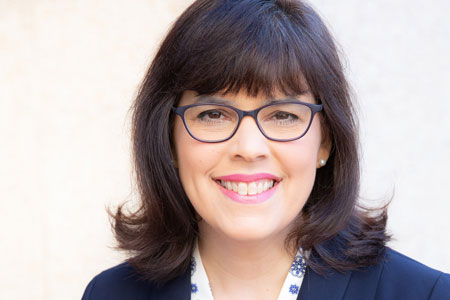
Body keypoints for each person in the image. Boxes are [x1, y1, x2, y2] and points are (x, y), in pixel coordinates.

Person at [82, 0, 450, 299]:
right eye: (213, 114)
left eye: (284, 115)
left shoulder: (423, 294)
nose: (249, 147)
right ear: (168, 137)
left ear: (325, 141)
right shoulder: (111, 294)